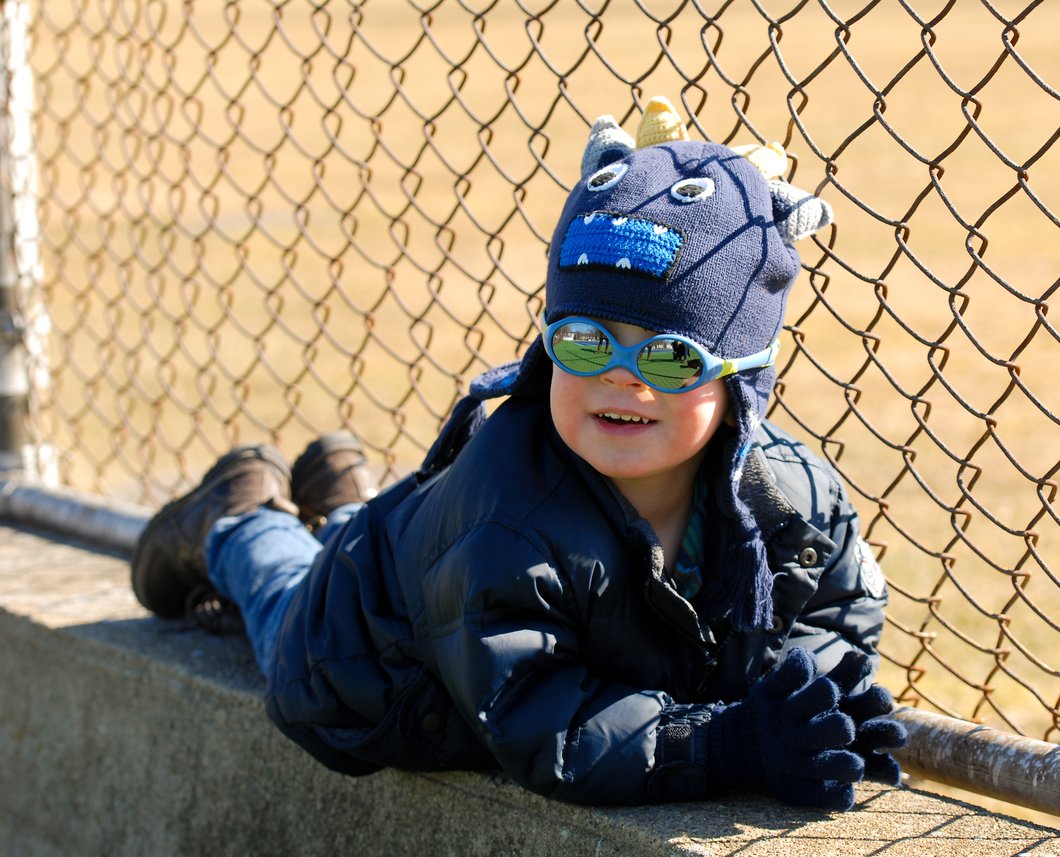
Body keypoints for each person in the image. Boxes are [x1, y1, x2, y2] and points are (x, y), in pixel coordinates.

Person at [129, 97, 906, 810]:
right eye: (583, 341)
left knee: (379, 542)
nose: (620, 379)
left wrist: (815, 700)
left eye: (669, 357)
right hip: (361, 656)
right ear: (547, 345)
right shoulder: (510, 529)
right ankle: (236, 520)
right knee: (287, 598)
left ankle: (344, 506)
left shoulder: (793, 501)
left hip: (431, 566)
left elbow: (835, 607)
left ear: (741, 382)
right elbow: (544, 720)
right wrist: (725, 743)